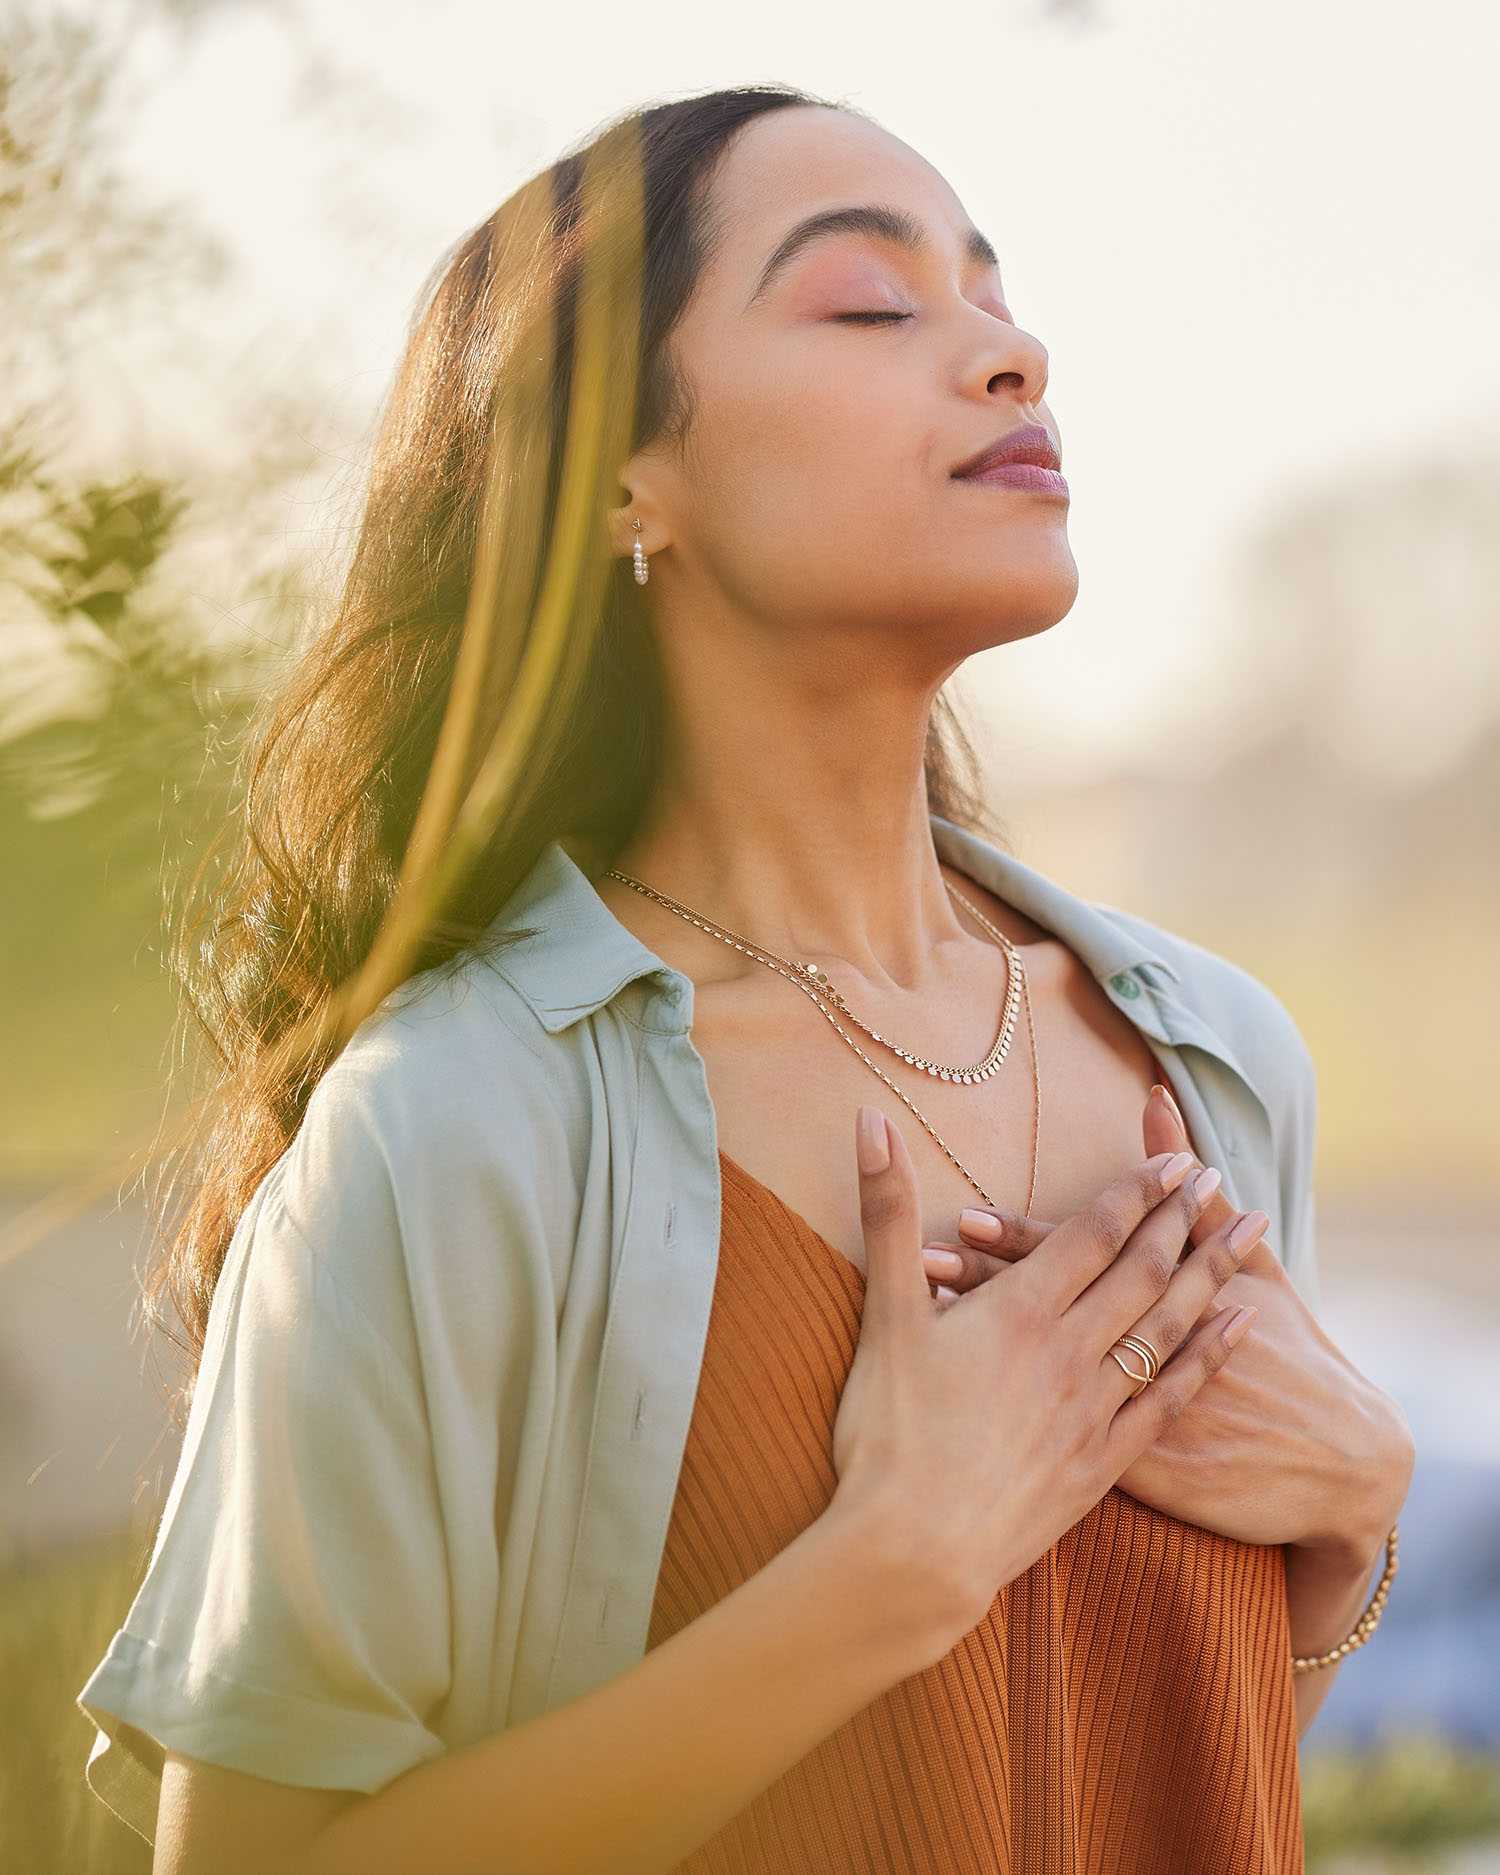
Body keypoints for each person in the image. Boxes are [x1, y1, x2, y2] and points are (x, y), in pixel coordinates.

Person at [75, 82, 1414, 1875]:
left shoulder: (1221, 1056)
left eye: (995, 295)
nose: (1011, 352)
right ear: (628, 480)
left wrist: (1350, 1528)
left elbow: (1154, 1756)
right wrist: (888, 1573)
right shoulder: (456, 1126)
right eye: (872, 303)